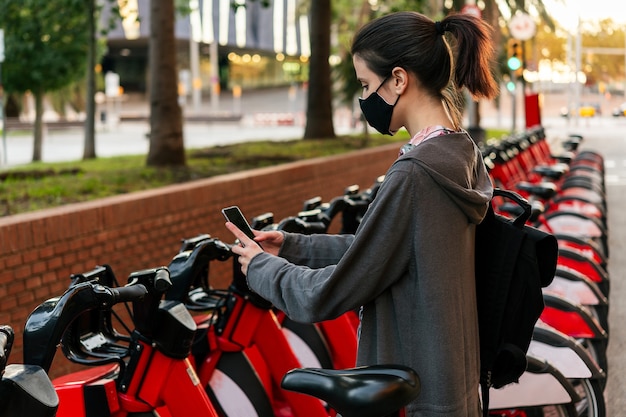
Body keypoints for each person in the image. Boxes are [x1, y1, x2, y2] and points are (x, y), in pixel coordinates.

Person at [225, 11, 498, 417]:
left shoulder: (416, 174)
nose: (365, 98)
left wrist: (261, 268)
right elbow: (387, 248)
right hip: (449, 382)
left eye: (368, 85)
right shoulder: (459, 153)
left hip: (412, 393)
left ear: (399, 80)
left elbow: (329, 293)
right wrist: (292, 245)